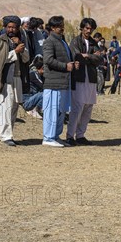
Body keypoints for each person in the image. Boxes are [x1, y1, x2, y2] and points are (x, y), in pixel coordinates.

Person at [0, 16, 29, 146]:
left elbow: (26, 59)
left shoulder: (20, 40)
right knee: (5, 107)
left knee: (14, 107)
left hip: (17, 77)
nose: (11, 29)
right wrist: (15, 52)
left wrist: (21, 48)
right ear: (5, 28)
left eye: (14, 27)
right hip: (5, 79)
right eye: (9, 27)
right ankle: (5, 135)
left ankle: (7, 134)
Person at [66, 18, 100, 146]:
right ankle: (70, 136)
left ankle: (80, 135)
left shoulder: (93, 42)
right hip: (79, 77)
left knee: (88, 106)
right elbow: (77, 56)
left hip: (90, 78)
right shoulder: (75, 41)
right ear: (81, 28)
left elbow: (100, 59)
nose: (88, 30)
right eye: (86, 28)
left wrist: (88, 56)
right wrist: (90, 57)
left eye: (91, 28)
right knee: (77, 107)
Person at [41, 16, 74, 148]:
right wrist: (65, 66)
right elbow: (48, 60)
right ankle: (48, 137)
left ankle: (55, 136)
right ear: (53, 27)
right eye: (60, 26)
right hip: (53, 82)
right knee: (51, 111)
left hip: (63, 82)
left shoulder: (62, 41)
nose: (62, 28)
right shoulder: (49, 41)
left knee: (60, 111)